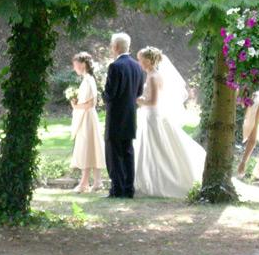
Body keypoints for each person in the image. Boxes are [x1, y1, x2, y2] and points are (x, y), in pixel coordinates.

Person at [134, 47, 206, 198]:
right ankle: (150, 180)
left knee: (157, 148)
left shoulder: (153, 77)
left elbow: (153, 101)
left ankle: (161, 182)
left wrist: (138, 100)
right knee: (152, 149)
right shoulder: (153, 75)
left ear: (148, 60)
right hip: (151, 115)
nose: (139, 62)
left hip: (152, 115)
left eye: (140, 59)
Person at [102, 33, 145, 199]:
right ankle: (128, 189)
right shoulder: (137, 66)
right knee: (128, 153)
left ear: (116, 47)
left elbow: (110, 94)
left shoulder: (115, 66)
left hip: (116, 116)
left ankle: (117, 189)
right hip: (131, 115)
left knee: (113, 153)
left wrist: (103, 95)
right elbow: (139, 92)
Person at [69, 52, 105, 193]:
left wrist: (76, 106)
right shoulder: (87, 80)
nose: (74, 68)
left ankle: (84, 183)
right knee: (91, 147)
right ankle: (97, 182)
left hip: (87, 118)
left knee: (87, 148)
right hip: (87, 117)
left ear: (83, 64)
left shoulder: (89, 80)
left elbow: (91, 103)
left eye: (76, 64)